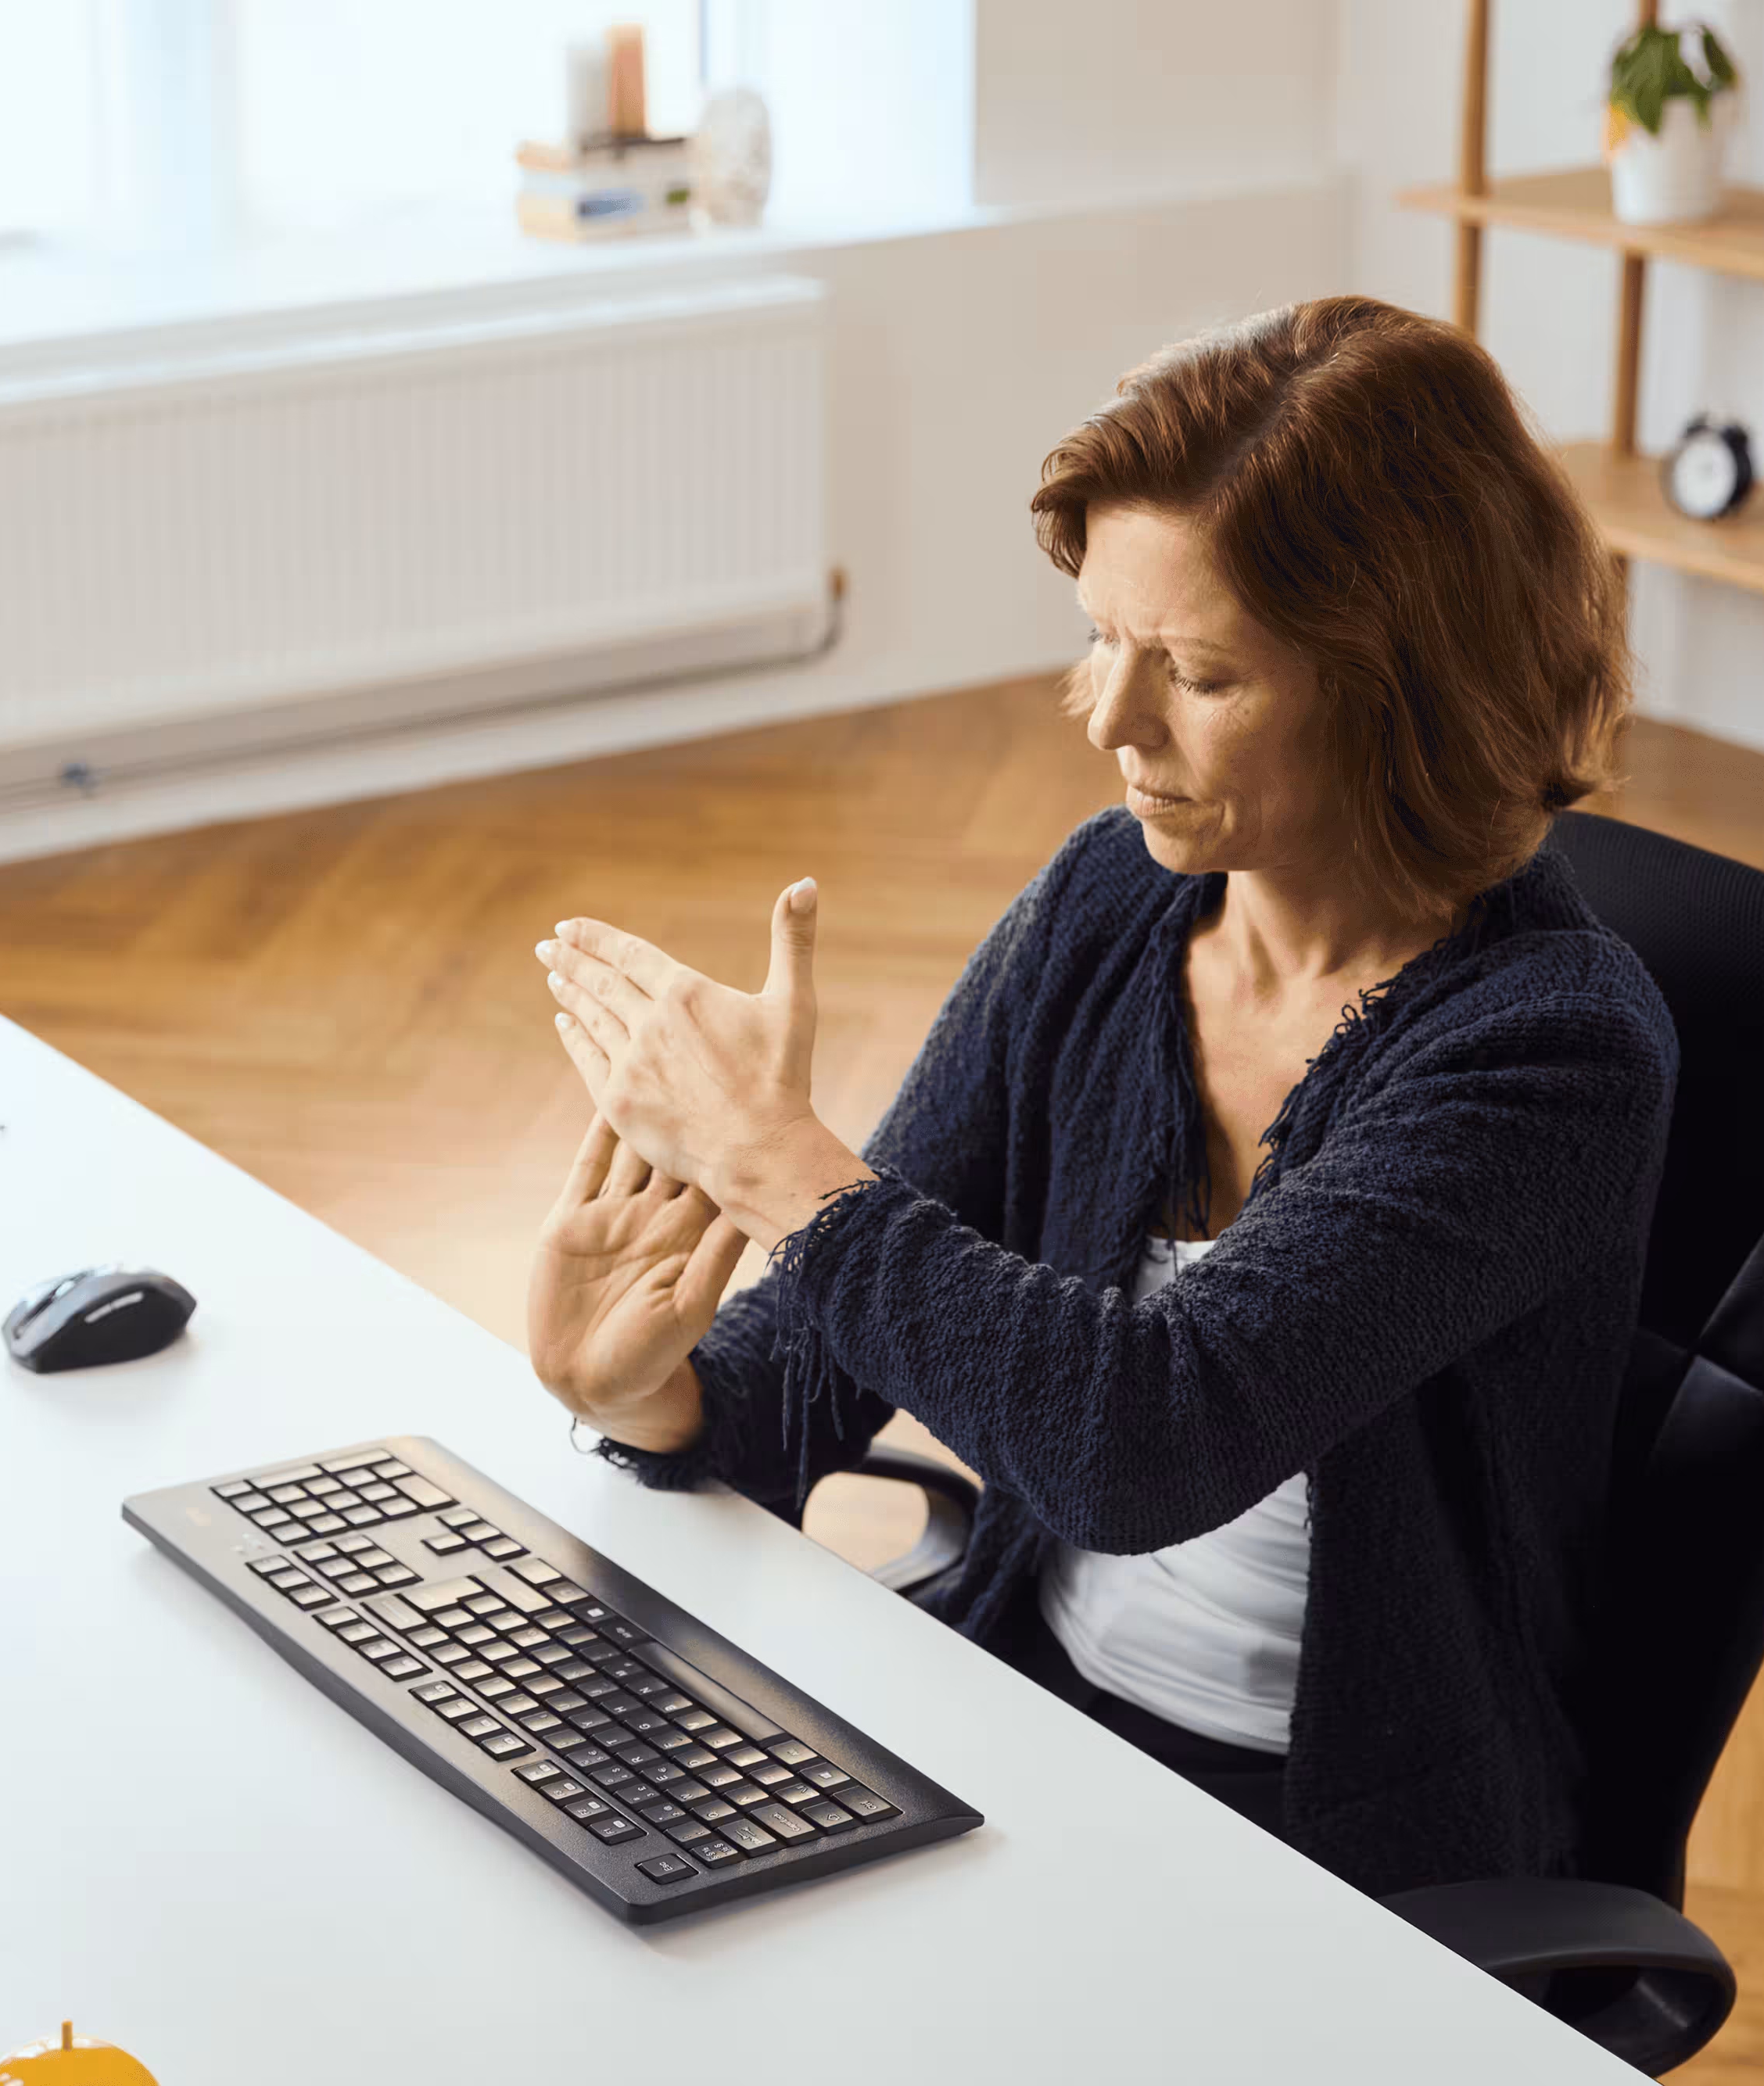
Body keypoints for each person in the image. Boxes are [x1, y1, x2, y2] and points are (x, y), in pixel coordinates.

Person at [519, 296, 1675, 1896]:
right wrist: (653, 1388)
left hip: (1340, 1849)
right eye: (1096, 637)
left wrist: (773, 1156)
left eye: (1196, 669)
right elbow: (820, 1360)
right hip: (1029, 1713)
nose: (1108, 721)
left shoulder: (1549, 1052)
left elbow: (1148, 1438)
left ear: (1401, 687)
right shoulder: (1109, 905)